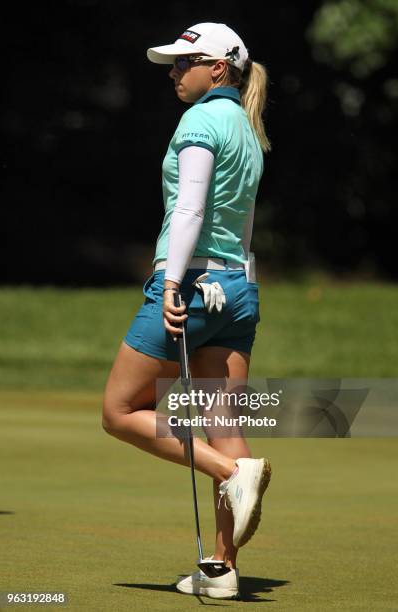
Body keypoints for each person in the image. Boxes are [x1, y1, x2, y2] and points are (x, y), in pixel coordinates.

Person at [102, 22, 272, 600]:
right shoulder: (248, 127)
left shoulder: (200, 120)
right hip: (239, 288)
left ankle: (230, 474)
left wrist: (172, 282)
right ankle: (221, 571)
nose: (175, 72)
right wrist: (235, 280)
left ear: (217, 69)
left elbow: (190, 211)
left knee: (120, 410)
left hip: (194, 284)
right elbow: (243, 223)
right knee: (225, 426)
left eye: (185, 63)